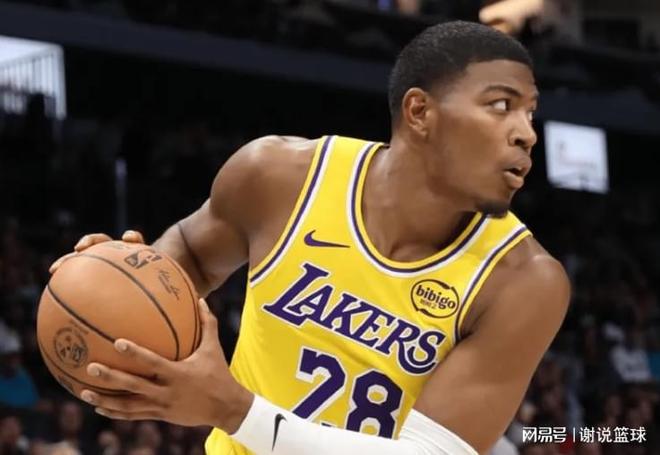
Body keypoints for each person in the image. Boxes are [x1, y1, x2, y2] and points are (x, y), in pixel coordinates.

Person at [50, 21, 570, 455]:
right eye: (501, 106)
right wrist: (120, 279)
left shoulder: (525, 282)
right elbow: (191, 255)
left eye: (530, 113)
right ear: (419, 112)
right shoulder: (279, 177)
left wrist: (234, 411)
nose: (527, 133)